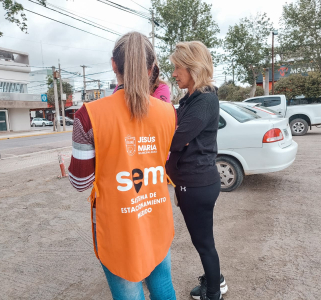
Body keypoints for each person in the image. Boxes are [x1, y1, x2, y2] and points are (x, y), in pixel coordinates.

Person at [68, 32, 177, 300]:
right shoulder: (169, 113)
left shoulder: (89, 114)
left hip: (117, 226)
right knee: (163, 287)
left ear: (113, 65)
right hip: (156, 218)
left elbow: (81, 183)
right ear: (151, 69)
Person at [166, 41, 227, 300]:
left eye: (177, 67)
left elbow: (176, 140)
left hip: (197, 184)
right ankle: (214, 280)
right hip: (191, 182)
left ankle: (213, 292)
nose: (174, 73)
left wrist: (178, 137)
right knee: (203, 241)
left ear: (192, 68)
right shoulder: (189, 99)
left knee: (203, 243)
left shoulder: (205, 99)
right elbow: (179, 135)